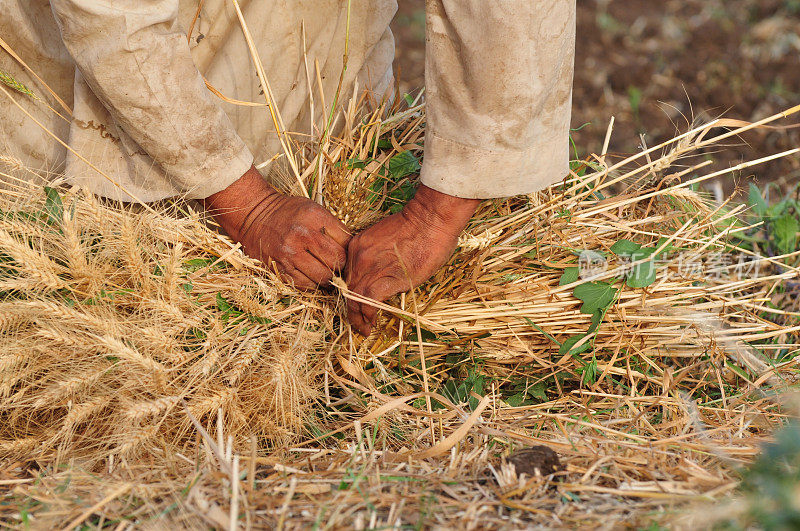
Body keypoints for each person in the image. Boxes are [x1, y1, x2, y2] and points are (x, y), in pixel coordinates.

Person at [0, 1, 575, 335]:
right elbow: (108, 15)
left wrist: (438, 214)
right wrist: (249, 206)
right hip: (83, 69)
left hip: (320, 48)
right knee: (76, 271)